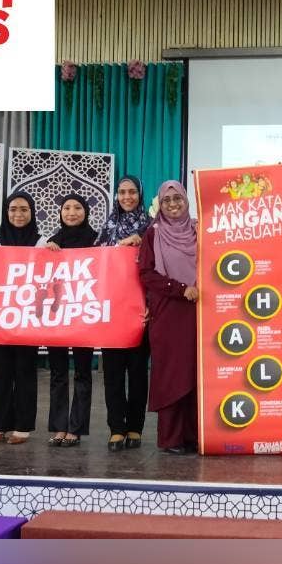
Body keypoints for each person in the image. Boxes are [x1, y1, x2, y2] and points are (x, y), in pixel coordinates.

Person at [138, 180, 199, 454]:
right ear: (159, 205)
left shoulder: (201, 230)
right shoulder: (153, 234)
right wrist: (180, 289)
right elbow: (147, 273)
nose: (173, 204)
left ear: (186, 201)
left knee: (196, 373)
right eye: (167, 201)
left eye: (178, 199)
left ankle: (195, 434)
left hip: (200, 310)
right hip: (168, 311)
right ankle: (172, 438)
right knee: (172, 373)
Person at [0, 191, 46, 446]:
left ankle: (22, 427)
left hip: (29, 318)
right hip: (1, 317)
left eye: (24, 210)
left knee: (25, 371)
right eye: (13, 209)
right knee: (1, 371)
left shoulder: (42, 242)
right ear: (6, 212)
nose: (18, 214)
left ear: (32, 213)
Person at [95, 176, 152, 452]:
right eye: (121, 192)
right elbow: (94, 263)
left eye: (132, 192)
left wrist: (140, 242)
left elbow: (158, 265)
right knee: (113, 373)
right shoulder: (108, 227)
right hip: (111, 311)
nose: (127, 197)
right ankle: (116, 427)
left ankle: (135, 428)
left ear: (140, 195)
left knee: (138, 373)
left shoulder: (151, 228)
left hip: (141, 311)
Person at [45, 194, 98, 447]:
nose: (72, 212)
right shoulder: (51, 242)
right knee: (57, 372)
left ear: (86, 212)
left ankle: (76, 428)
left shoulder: (97, 240)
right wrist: (48, 252)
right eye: (66, 208)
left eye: (77, 208)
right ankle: (58, 427)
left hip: (83, 315)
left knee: (83, 372)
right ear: (60, 212)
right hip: (57, 316)